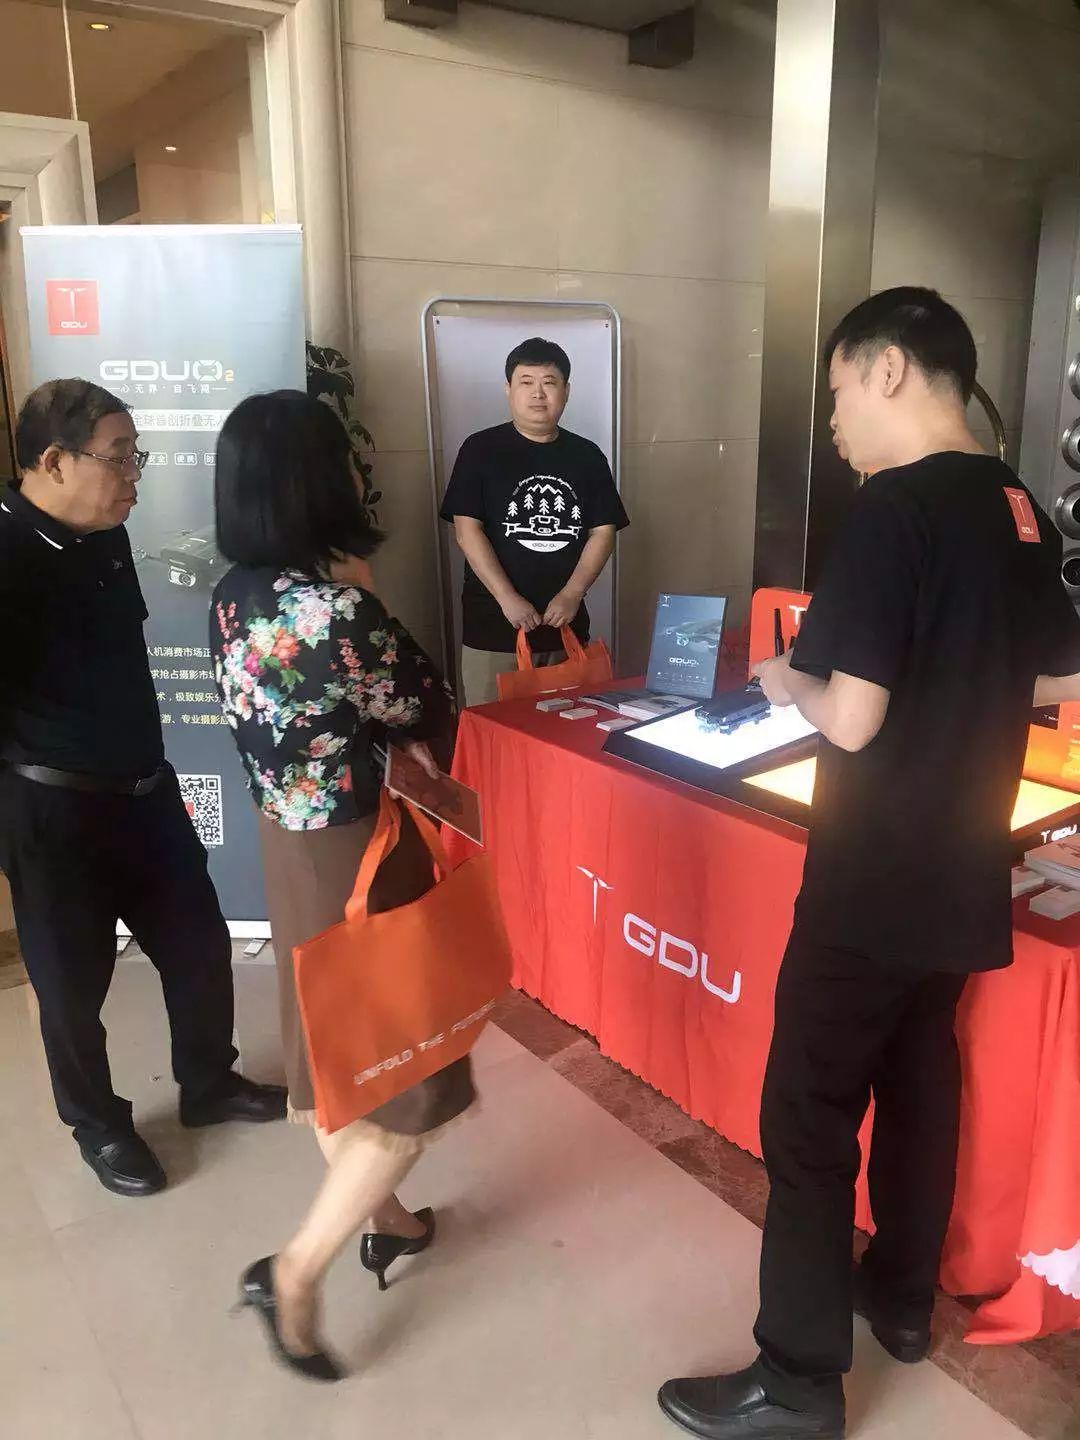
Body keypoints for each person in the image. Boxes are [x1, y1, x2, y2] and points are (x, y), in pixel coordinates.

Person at [658, 288, 1080, 1440]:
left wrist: (786, 678)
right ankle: (897, 1299)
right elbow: (1059, 674)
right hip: (963, 861)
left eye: (840, 389)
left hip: (870, 875)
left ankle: (795, 1382)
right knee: (919, 1076)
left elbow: (851, 717)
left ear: (889, 369)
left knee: (807, 1116)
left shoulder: (893, 509)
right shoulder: (1016, 504)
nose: (836, 420)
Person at [210, 390, 475, 1381]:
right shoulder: (335, 610)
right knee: (407, 1091)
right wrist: (365, 589)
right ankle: (294, 1273)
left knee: (339, 1065)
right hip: (360, 853)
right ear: (316, 482)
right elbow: (428, 705)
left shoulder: (231, 595)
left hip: (286, 847)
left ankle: (389, 1222)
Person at [0, 379, 286, 1200]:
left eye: (137, 457)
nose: (134, 477)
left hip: (145, 791)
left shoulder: (107, 538)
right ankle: (98, 1124)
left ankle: (209, 1082)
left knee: (198, 944)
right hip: (52, 807)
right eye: (118, 458)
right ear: (53, 461)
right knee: (71, 987)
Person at [440, 337, 629, 707]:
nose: (538, 393)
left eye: (549, 382)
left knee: (567, 725)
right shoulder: (480, 450)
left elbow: (603, 531)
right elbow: (466, 530)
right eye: (526, 382)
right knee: (495, 727)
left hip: (565, 624)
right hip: (495, 627)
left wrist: (572, 594)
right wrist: (507, 598)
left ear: (566, 391)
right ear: (508, 389)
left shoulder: (587, 455)